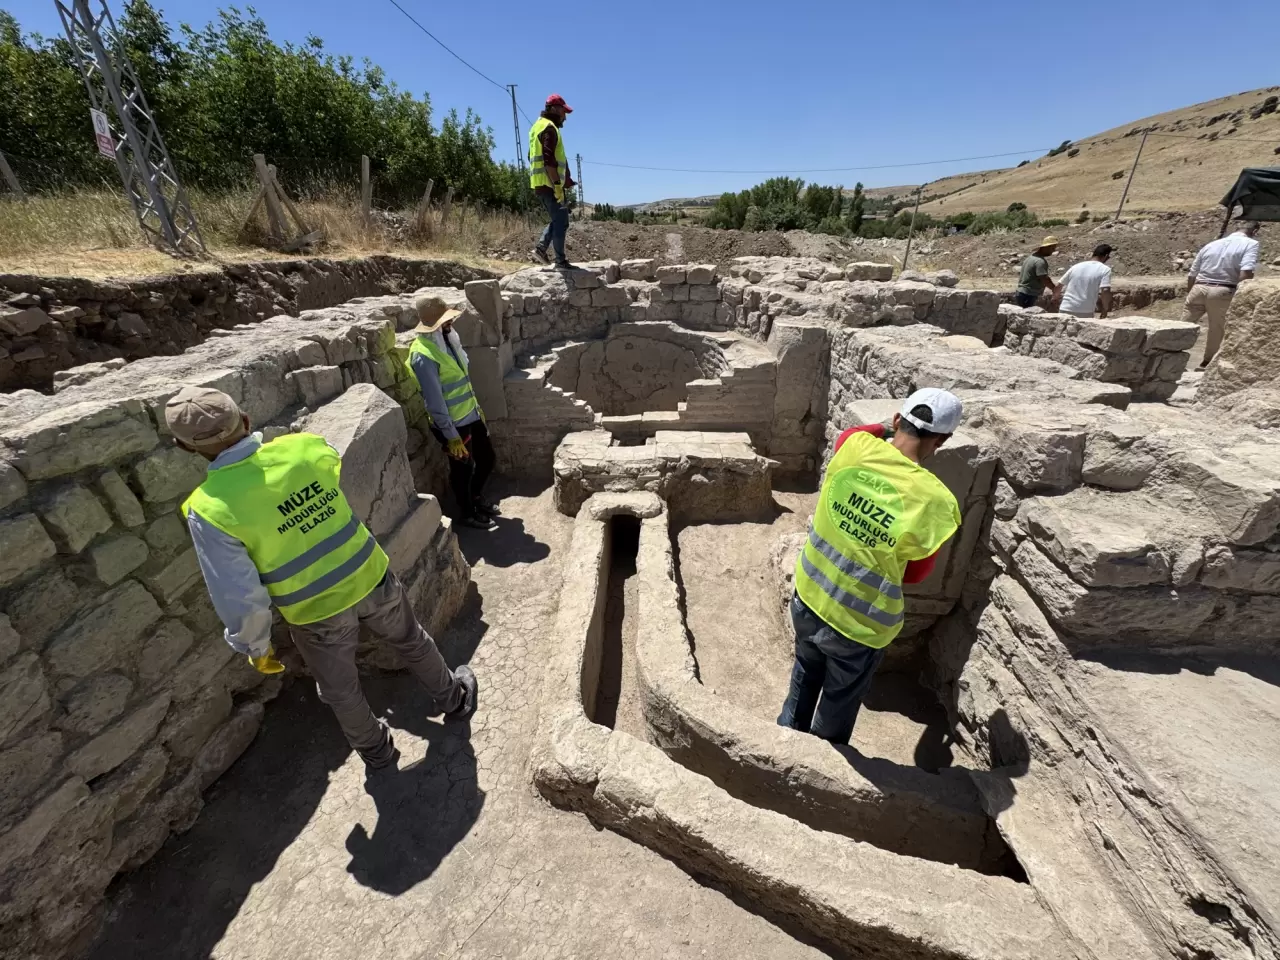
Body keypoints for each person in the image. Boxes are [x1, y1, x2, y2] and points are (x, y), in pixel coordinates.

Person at [168, 386, 478, 772]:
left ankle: (377, 753)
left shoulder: (208, 508)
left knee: (341, 689)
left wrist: (255, 645)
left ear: (186, 449)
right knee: (411, 640)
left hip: (315, 610)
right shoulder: (301, 448)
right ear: (246, 419)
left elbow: (237, 592)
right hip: (367, 574)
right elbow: (329, 463)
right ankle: (454, 699)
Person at [778, 389, 963, 745]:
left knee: (805, 671)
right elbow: (914, 574)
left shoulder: (853, 447)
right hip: (859, 626)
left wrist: (886, 428)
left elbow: (857, 432)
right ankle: (822, 760)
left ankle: (786, 738)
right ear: (943, 440)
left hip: (810, 595)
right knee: (838, 701)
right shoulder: (935, 501)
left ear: (897, 420)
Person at [406, 296, 499, 530]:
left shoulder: (446, 342)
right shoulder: (423, 355)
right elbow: (434, 400)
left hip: (470, 415)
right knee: (463, 470)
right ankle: (467, 513)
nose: (451, 324)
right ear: (434, 326)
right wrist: (451, 435)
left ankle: (476, 498)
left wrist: (477, 410)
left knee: (487, 459)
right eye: (446, 321)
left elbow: (463, 382)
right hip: (453, 426)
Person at [1184, 221, 1262, 369]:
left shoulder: (1212, 244)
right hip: (1222, 290)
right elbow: (1245, 273)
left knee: (1183, 325)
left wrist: (1191, 294)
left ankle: (1168, 356)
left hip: (1198, 288)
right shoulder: (1250, 244)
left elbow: (1192, 274)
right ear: (1255, 230)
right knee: (1216, 329)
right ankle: (1206, 364)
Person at [528, 93, 576, 269]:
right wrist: (557, 184)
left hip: (541, 183)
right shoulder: (549, 128)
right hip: (549, 184)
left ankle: (541, 248)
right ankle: (560, 261)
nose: (565, 117)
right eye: (564, 112)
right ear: (555, 110)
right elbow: (548, 160)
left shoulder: (536, 127)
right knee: (561, 220)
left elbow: (531, 156)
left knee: (559, 218)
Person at [1055, 244, 1114, 319]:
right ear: (1106, 256)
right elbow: (1105, 290)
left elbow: (1059, 285)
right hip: (1085, 311)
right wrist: (1105, 309)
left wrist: (1055, 298)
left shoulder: (1076, 266)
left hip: (1065, 308)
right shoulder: (1105, 269)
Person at [1014, 236, 1061, 308]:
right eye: (1052, 248)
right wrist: (1054, 289)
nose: (1053, 250)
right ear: (1046, 247)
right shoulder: (1040, 261)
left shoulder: (1031, 258)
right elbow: (1044, 278)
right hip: (1028, 295)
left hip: (1022, 293)